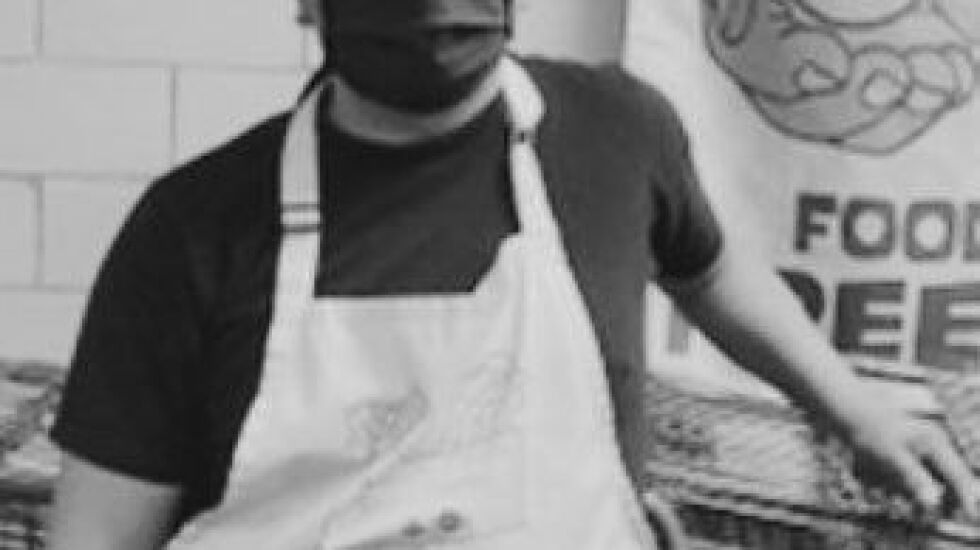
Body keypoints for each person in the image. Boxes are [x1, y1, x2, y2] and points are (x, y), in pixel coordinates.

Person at [47, 1, 979, 549]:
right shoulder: (192, 228)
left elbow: (711, 270)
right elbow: (96, 536)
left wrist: (852, 408)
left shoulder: (616, 135)